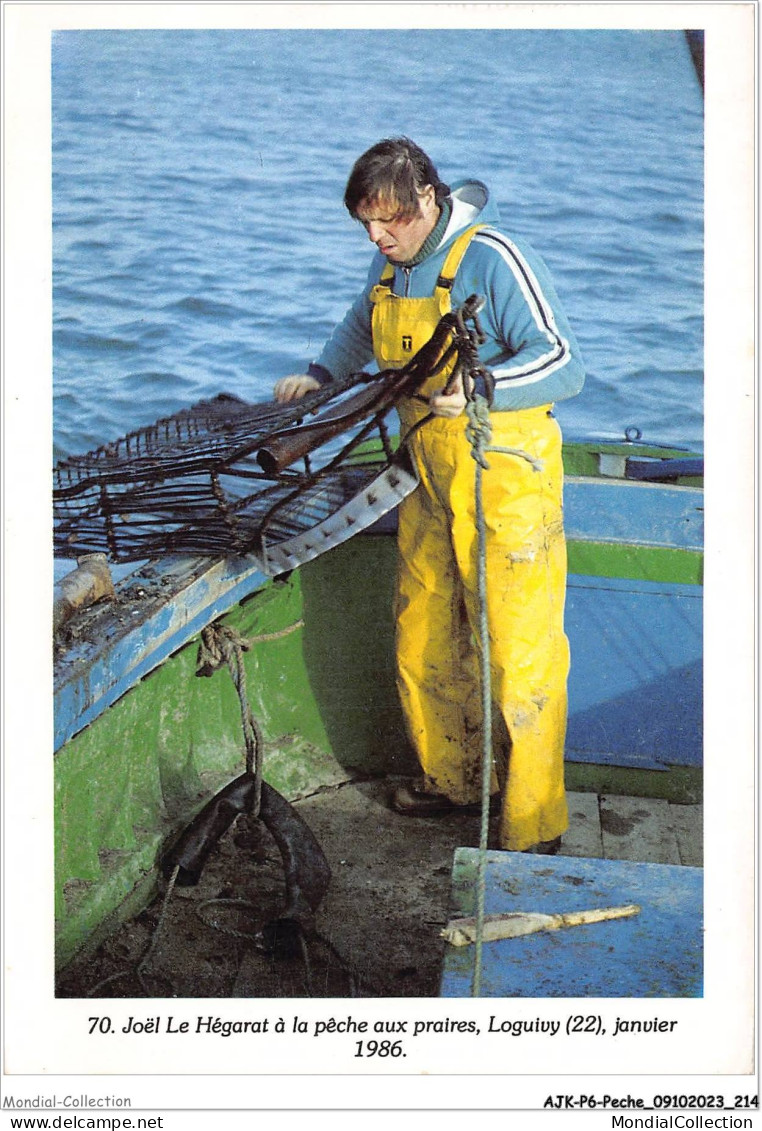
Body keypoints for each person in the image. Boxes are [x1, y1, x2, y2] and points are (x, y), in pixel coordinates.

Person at [274, 137, 585, 853]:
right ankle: (454, 780)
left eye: (388, 223)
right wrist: (322, 375)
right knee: (424, 627)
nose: (377, 238)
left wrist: (482, 384)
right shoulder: (394, 266)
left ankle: (534, 825)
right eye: (365, 227)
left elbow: (564, 360)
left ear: (427, 199)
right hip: (429, 478)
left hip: (503, 475)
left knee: (519, 648)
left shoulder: (493, 256)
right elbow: (362, 321)